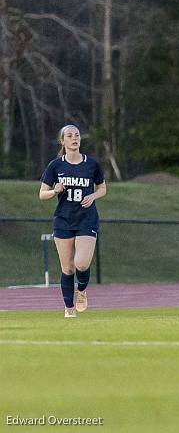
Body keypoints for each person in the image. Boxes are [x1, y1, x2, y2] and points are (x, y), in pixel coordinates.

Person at [39, 125, 106, 318]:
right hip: (63, 220)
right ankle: (69, 309)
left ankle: (82, 290)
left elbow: (102, 188)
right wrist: (55, 191)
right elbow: (42, 194)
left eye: (77, 135)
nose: (74, 138)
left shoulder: (92, 164)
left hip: (87, 219)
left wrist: (93, 196)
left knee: (82, 264)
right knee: (67, 267)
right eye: (69, 135)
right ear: (63, 141)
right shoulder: (55, 165)